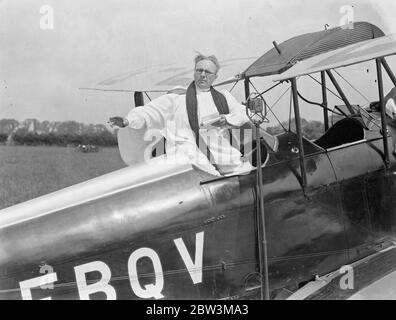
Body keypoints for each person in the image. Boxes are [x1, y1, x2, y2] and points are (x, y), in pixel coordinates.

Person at [109, 53, 276, 176]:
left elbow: (242, 113)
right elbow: (149, 111)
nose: (203, 74)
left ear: (215, 76)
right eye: (199, 70)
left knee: (245, 170)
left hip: (224, 158)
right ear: (194, 72)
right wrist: (127, 120)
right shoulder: (176, 99)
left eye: (208, 72)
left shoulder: (224, 97)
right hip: (192, 162)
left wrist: (227, 120)